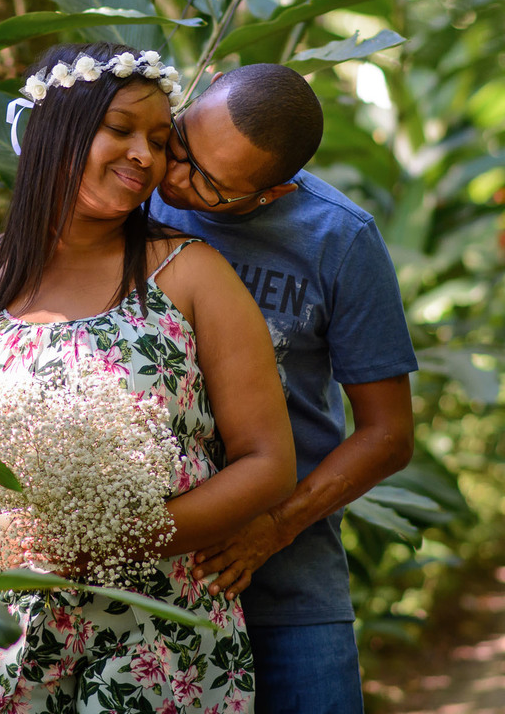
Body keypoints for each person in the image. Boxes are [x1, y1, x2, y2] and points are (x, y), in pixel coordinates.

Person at [0, 42, 296, 713]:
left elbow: (267, 462)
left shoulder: (192, 274)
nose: (144, 156)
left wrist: (125, 540)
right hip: (3, 642)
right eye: (120, 129)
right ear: (53, 129)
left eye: (160, 142)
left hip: (162, 635)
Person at [150, 64, 417, 713]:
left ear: (273, 192)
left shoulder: (340, 238)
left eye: (208, 185)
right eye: (180, 144)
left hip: (287, 584)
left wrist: (275, 527)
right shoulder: (139, 189)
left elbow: (388, 435)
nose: (175, 179)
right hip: (146, 581)